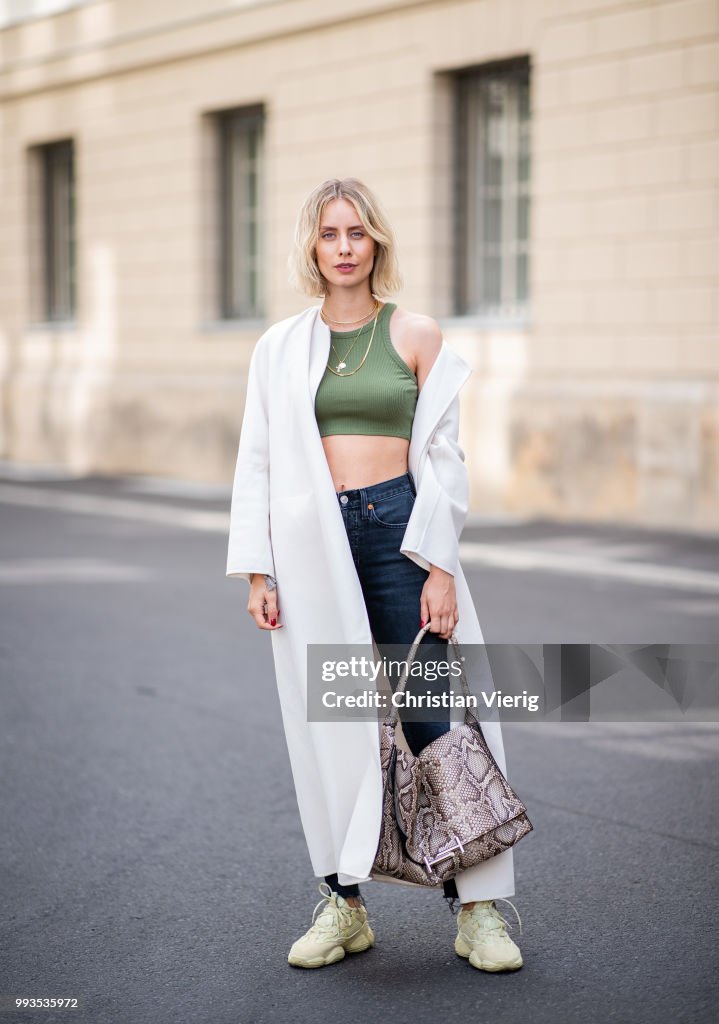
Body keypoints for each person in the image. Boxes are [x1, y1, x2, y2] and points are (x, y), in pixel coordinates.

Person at [226, 178, 523, 972]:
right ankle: (343, 904)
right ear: (313, 248)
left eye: (357, 232)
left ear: (377, 243)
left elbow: (443, 462)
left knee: (434, 712)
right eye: (330, 234)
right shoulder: (280, 348)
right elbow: (256, 458)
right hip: (310, 545)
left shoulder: (415, 335)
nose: (346, 246)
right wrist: (257, 570)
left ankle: (480, 911)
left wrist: (439, 567)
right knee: (333, 719)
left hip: (398, 531)